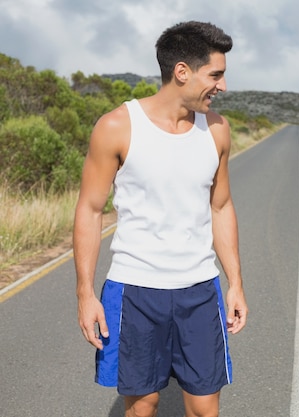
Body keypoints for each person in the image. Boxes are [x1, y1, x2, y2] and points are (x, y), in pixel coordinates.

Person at [73, 21, 248, 417]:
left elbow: (220, 207)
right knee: (143, 406)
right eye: (216, 75)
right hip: (135, 290)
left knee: (205, 407)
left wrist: (234, 282)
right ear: (182, 71)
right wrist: (85, 294)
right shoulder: (117, 127)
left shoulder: (217, 131)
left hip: (200, 289)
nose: (222, 86)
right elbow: (90, 209)